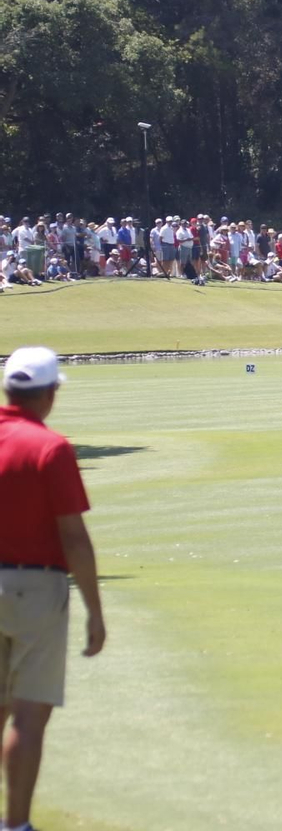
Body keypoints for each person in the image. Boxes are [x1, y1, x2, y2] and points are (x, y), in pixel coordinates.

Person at [0, 347, 106, 831]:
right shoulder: (51, 447)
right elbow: (73, 537)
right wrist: (94, 611)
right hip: (34, 588)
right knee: (26, 715)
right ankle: (16, 824)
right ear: (49, 393)